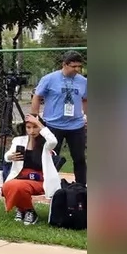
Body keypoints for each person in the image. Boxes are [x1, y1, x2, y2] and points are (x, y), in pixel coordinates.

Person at [30, 50, 87, 186]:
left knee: (79, 158)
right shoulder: (49, 79)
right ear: (64, 64)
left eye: (79, 66)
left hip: (76, 125)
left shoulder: (83, 81)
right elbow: (37, 96)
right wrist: (35, 118)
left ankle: (81, 187)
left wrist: (87, 116)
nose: (77, 69)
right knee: (51, 158)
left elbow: (85, 99)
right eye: (74, 66)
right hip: (54, 125)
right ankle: (49, 186)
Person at [0, 114, 61, 225]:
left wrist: (39, 123)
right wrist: (10, 157)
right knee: (8, 186)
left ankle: (26, 210)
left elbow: (53, 141)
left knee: (17, 186)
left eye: (35, 127)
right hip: (21, 177)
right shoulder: (19, 140)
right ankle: (26, 210)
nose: (32, 131)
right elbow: (7, 155)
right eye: (28, 127)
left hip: (40, 180)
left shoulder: (46, 143)